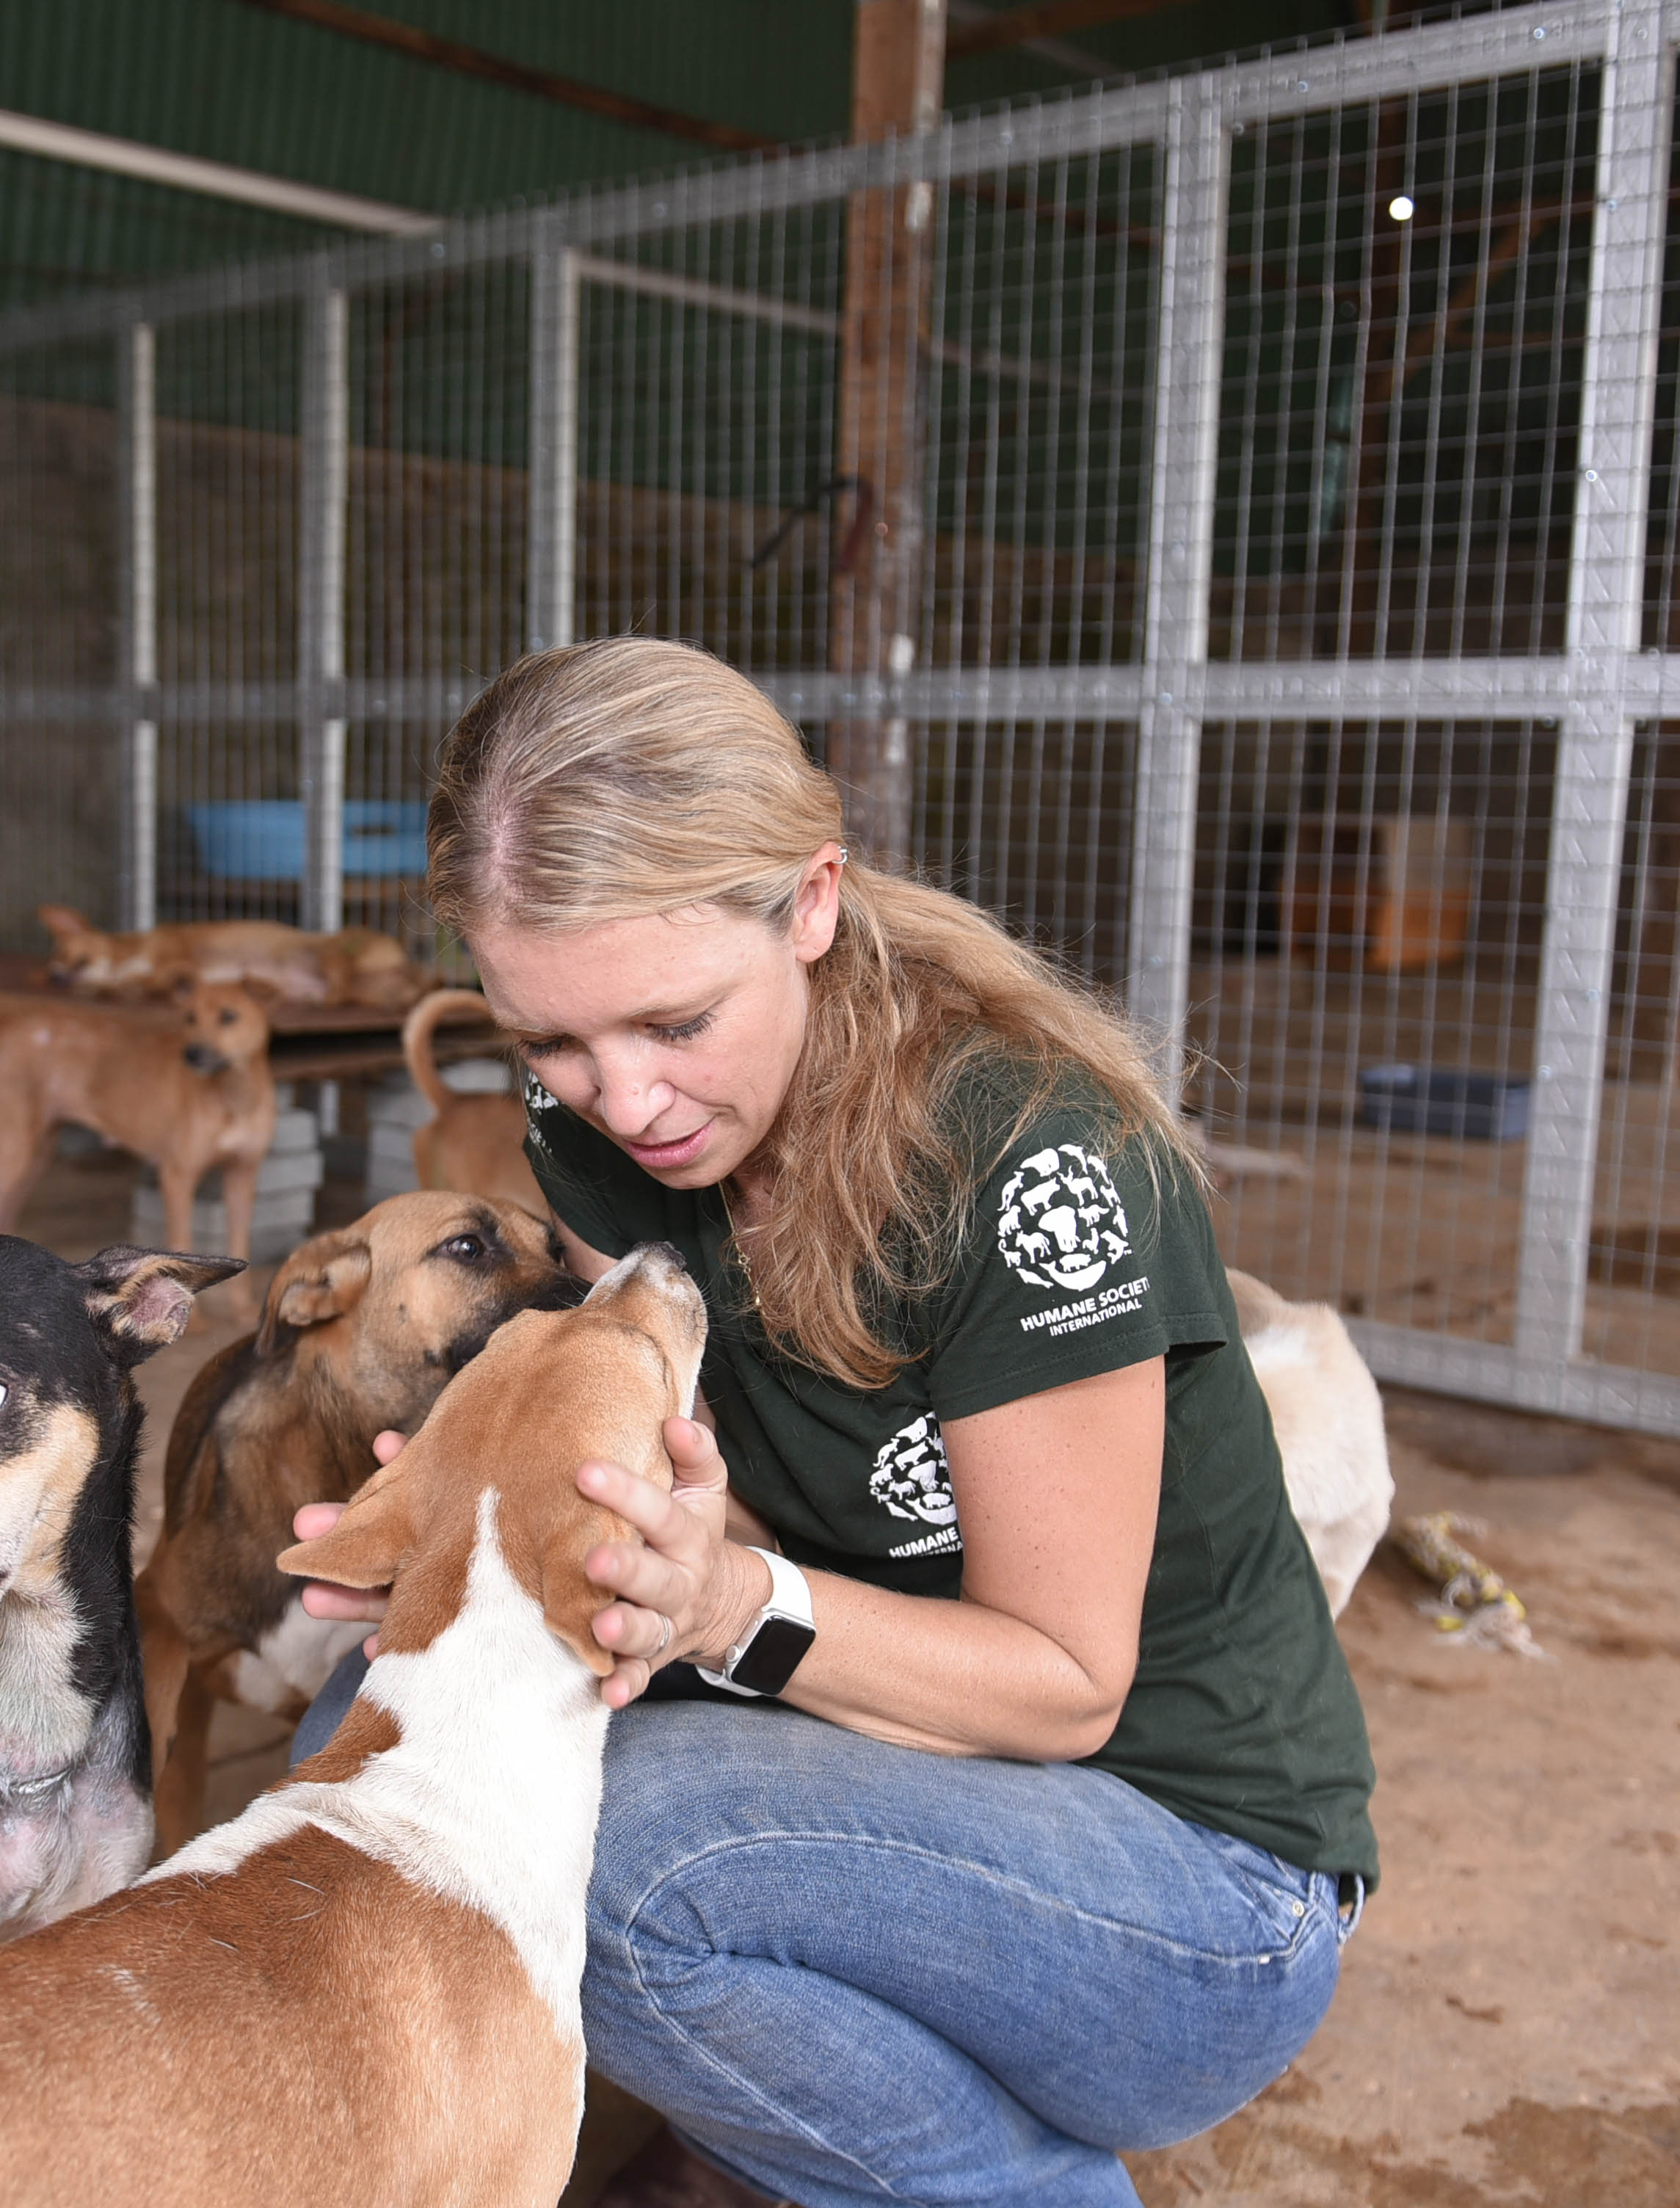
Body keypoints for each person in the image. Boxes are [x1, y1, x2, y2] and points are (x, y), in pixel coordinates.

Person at [290, 638, 1374, 2208]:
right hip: (890, 1753)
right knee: (382, 1738)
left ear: (808, 903)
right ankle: (781, 2123)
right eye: (553, 1040)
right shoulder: (597, 1126)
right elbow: (703, 1482)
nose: (625, 1098)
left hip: (1190, 1875)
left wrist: (718, 1601)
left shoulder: (1027, 1157)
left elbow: (1066, 1688)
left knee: (613, 1867)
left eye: (674, 1021)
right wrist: (493, 1539)